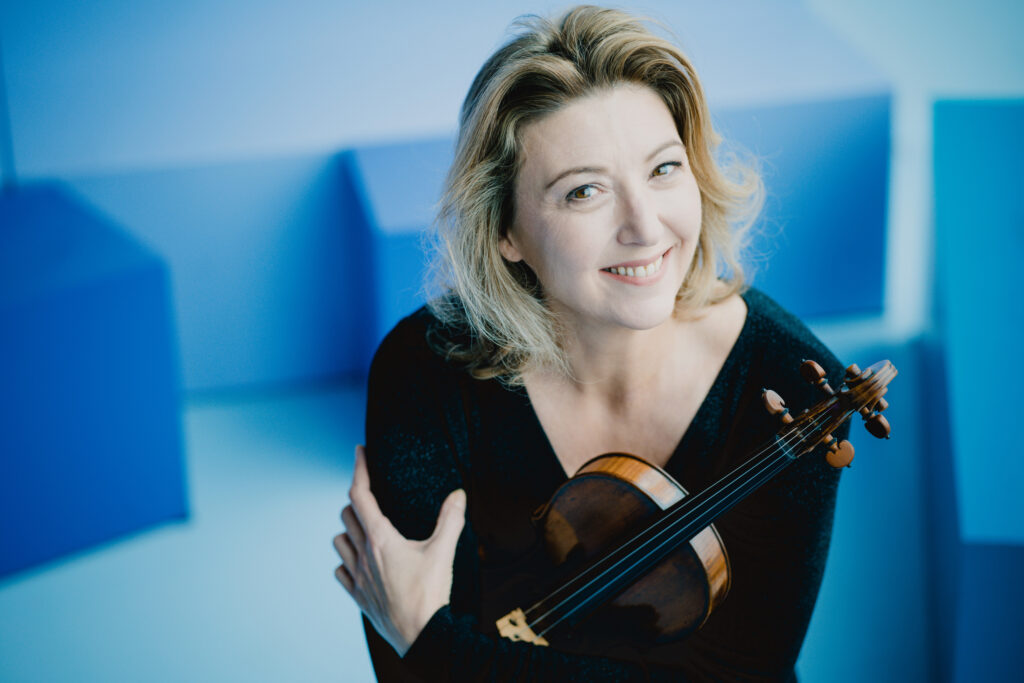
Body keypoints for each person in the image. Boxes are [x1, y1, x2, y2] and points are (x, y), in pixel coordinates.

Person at [333, 6, 849, 681]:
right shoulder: (424, 371)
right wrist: (428, 650)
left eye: (664, 170)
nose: (644, 226)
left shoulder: (794, 384)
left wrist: (442, 646)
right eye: (584, 191)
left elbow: (421, 648)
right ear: (505, 232)